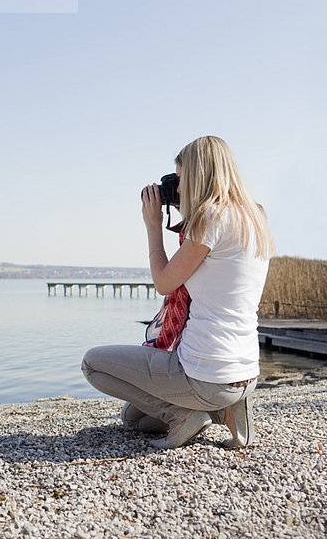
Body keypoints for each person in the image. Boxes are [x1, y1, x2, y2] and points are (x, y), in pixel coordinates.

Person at [82, 136, 274, 449]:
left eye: (182, 179)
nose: (180, 189)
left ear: (198, 176)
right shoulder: (257, 216)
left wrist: (153, 225)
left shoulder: (210, 218)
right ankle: (229, 412)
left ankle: (186, 416)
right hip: (246, 373)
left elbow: (163, 282)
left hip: (207, 372)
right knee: (133, 418)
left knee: (92, 363)